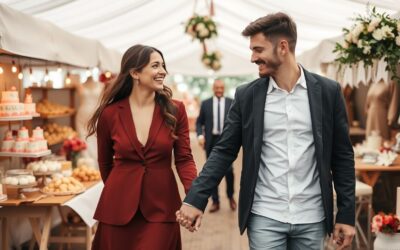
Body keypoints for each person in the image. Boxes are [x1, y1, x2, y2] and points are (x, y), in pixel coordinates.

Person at [177, 12, 356, 250]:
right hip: (264, 216)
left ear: (283, 47)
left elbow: (342, 156)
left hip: (313, 217)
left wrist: (346, 214)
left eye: (258, 50)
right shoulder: (247, 96)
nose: (253, 57)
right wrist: (196, 199)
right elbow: (223, 151)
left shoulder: (328, 92)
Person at [87, 44, 197, 250]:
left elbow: (184, 159)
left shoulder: (176, 110)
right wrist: (121, 189)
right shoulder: (110, 114)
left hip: (162, 206)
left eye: (163, 66)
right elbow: (105, 163)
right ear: (135, 72)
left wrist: (194, 198)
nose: (163, 71)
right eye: (155, 65)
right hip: (117, 208)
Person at [196, 79, 236, 212]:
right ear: (213, 88)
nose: (219, 90)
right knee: (211, 172)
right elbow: (199, 122)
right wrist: (200, 136)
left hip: (227, 140)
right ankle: (215, 201)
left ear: (224, 88)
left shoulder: (232, 102)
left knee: (229, 171)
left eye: (221, 88)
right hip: (211, 141)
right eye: (217, 88)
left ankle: (230, 197)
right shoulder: (205, 103)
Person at [75, 75, 103, 167]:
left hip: (96, 115)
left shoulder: (101, 85)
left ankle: (99, 165)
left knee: (96, 138)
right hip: (82, 116)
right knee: (83, 138)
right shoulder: (80, 85)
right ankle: (87, 166)